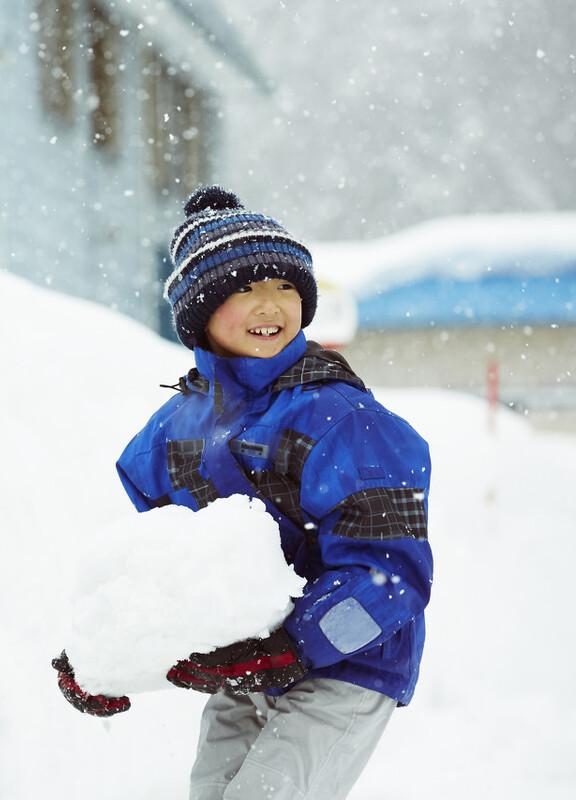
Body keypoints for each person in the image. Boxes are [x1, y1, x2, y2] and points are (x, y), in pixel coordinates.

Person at [52, 186, 434, 800]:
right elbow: (163, 570)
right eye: (244, 287)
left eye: (286, 286)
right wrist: (105, 656)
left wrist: (294, 646)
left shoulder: (338, 418)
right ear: (200, 312)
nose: (271, 303)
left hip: (349, 659)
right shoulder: (172, 434)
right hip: (239, 659)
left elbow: (390, 569)